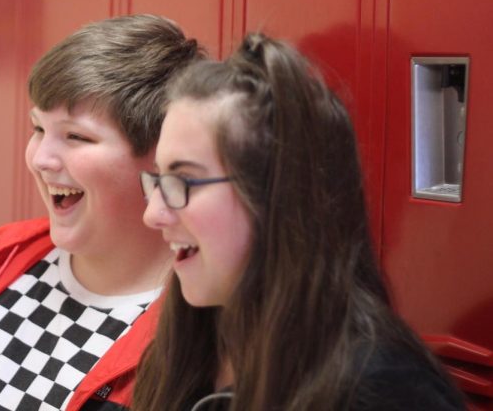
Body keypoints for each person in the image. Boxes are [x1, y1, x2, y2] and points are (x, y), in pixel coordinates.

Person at [0, 15, 204, 411]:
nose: (41, 159)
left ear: (163, 157)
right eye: (38, 129)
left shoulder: (198, 331)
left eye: (76, 136)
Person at [134, 34, 466, 411]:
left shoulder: (382, 388)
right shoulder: (190, 343)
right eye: (158, 180)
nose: (153, 214)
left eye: (184, 182)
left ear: (276, 194)